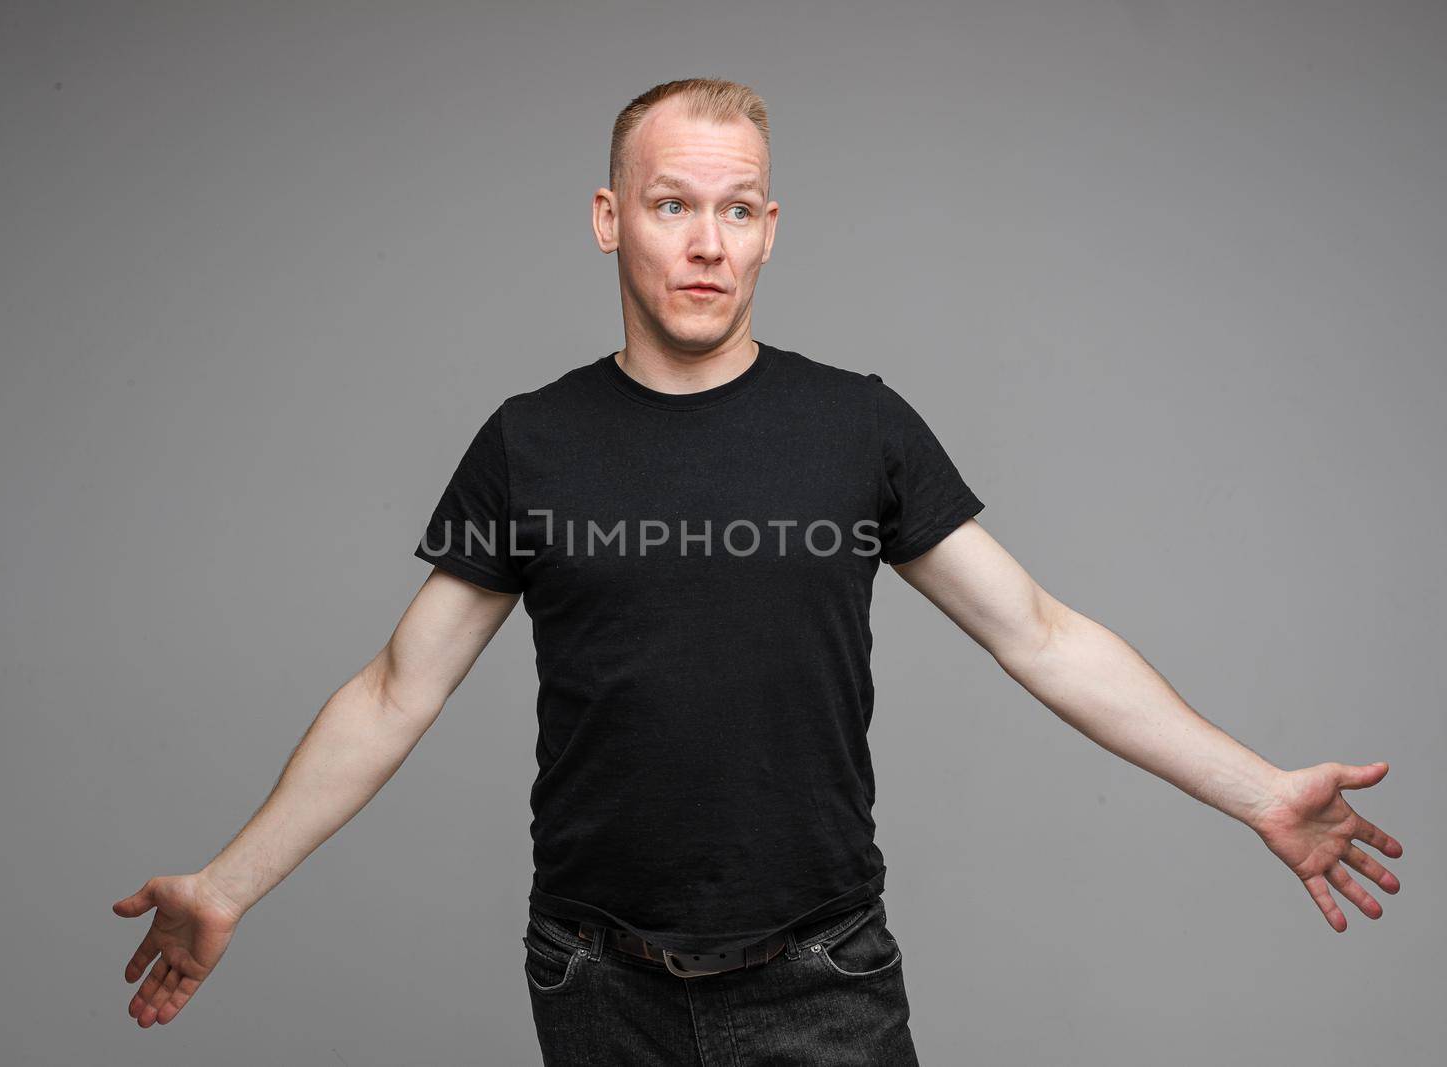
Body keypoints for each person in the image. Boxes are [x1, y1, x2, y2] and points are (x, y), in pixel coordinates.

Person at [112, 78, 1405, 1064]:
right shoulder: (532, 441)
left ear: (771, 229)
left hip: (819, 977)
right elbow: (398, 689)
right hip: (593, 979)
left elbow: (1041, 635)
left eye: (738, 209)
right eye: (674, 203)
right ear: (612, 218)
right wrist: (226, 884)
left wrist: (1259, 792)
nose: (707, 242)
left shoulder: (859, 426)